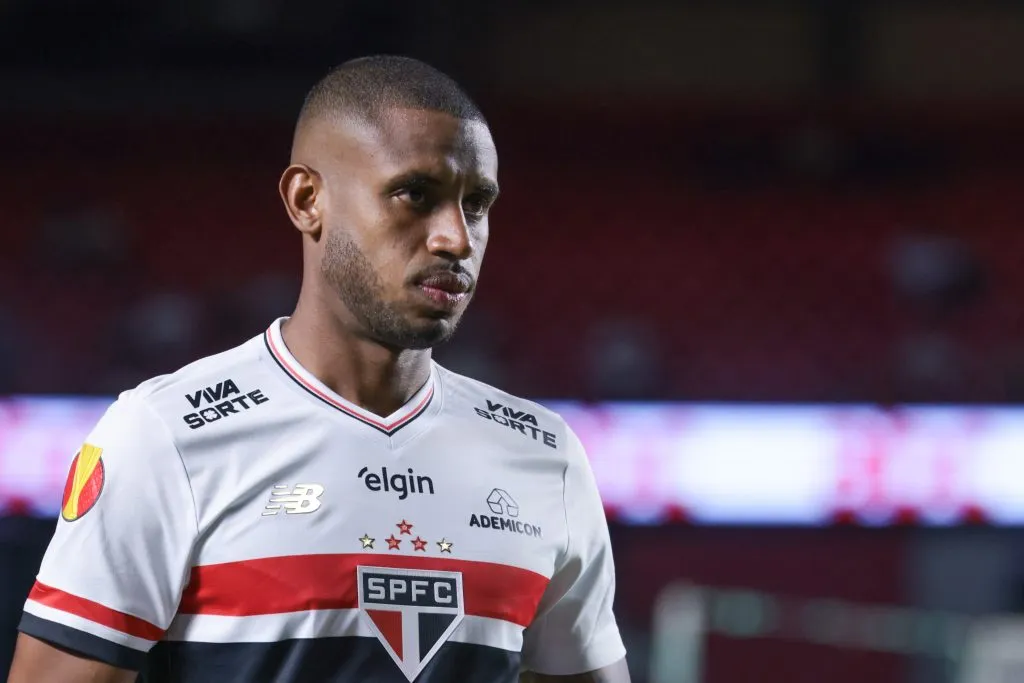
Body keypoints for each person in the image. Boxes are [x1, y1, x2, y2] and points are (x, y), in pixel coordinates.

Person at [6, 55, 629, 683]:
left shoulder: (546, 458)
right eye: (415, 194)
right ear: (308, 200)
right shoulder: (165, 436)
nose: (456, 239)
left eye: (476, 204)